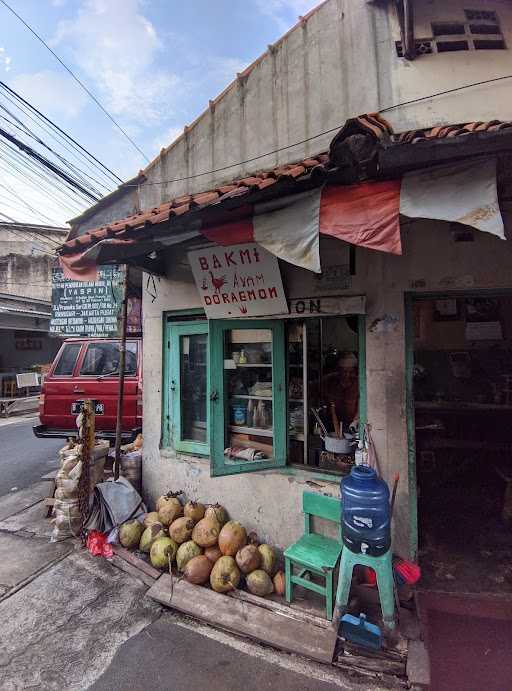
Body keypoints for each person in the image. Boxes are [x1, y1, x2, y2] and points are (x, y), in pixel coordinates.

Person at [321, 351, 359, 432]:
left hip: (351, 426)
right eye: (344, 371)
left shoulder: (358, 383)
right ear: (339, 370)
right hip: (331, 425)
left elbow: (362, 406)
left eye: (351, 372)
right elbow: (313, 389)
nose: (347, 375)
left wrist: (356, 421)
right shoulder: (329, 380)